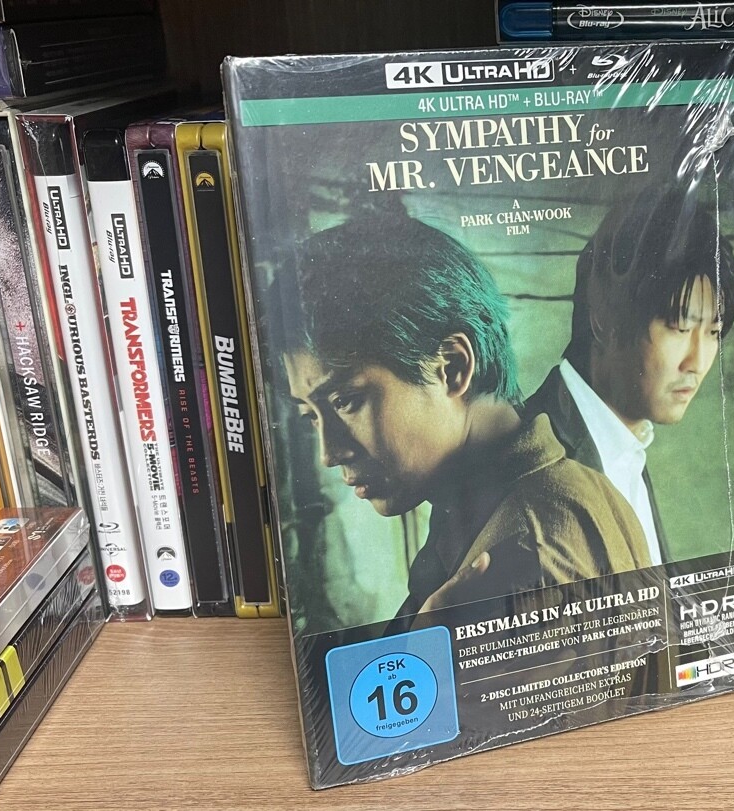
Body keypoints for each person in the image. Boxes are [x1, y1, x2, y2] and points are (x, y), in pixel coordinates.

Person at [269, 212, 650, 631]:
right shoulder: (518, 505)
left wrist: (428, 653)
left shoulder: (524, 556)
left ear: (451, 366)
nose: (328, 453)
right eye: (310, 416)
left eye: (345, 401)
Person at [523, 191, 734, 566]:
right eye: (678, 326)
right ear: (604, 319)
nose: (698, 362)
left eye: (713, 333)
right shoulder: (526, 456)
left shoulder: (627, 446)